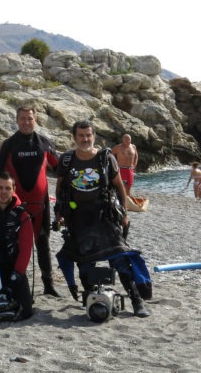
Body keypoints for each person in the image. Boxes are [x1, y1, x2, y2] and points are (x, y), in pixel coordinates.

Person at [55, 120, 150, 318]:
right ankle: (91, 297)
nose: (85, 139)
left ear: (94, 136)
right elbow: (60, 187)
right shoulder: (66, 159)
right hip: (78, 217)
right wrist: (60, 212)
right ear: (74, 137)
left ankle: (136, 301)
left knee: (120, 259)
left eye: (88, 135)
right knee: (83, 263)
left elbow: (119, 187)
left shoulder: (105, 158)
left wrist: (124, 213)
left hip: (104, 216)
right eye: (81, 135)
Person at [0, 105, 61, 296]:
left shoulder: (44, 143)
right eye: (22, 118)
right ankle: (13, 281)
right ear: (17, 120)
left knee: (42, 243)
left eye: (29, 118)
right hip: (16, 206)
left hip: (41, 205)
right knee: (14, 245)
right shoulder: (9, 144)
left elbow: (60, 169)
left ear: (35, 120)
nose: (26, 122)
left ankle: (48, 285)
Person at [0, 172, 34, 320]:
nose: (3, 192)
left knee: (25, 311)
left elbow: (25, 252)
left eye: (7, 188)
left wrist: (16, 277)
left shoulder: (23, 216)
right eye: (0, 188)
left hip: (14, 268)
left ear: (14, 189)